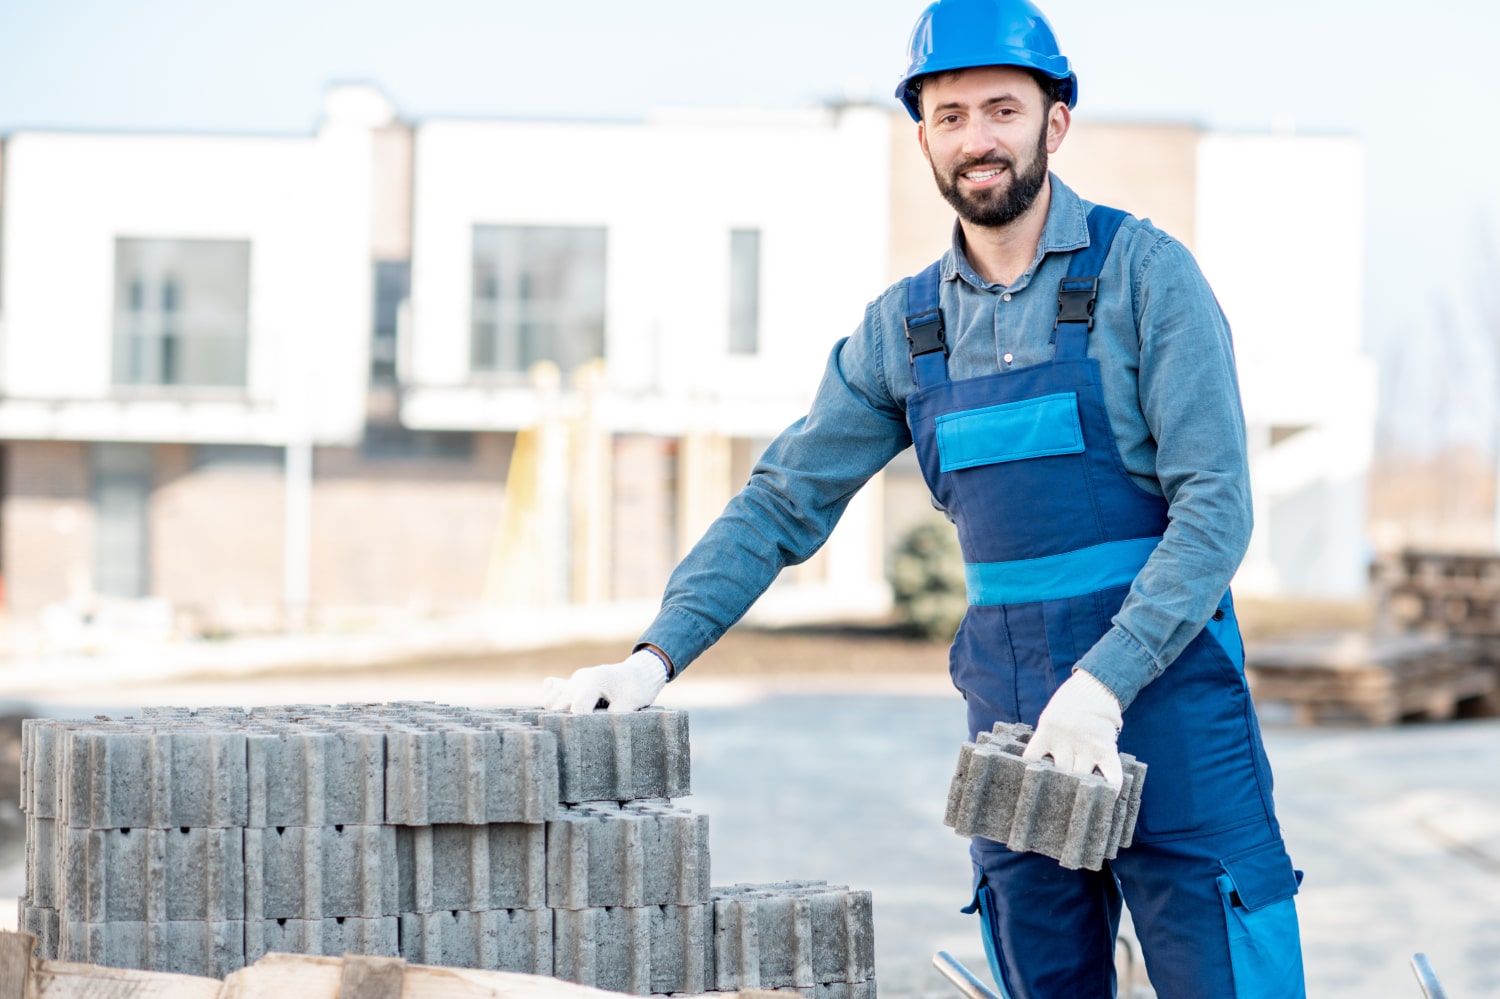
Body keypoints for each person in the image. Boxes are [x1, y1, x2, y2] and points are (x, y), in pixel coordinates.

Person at [543, 0, 1306, 995]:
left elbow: (1216, 513)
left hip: (1166, 706)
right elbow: (782, 503)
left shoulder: (1145, 278)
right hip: (1014, 726)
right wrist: (655, 656)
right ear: (924, 138)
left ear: (1055, 122)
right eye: (950, 116)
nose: (977, 138)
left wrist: (1103, 684)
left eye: (1001, 109)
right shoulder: (904, 330)